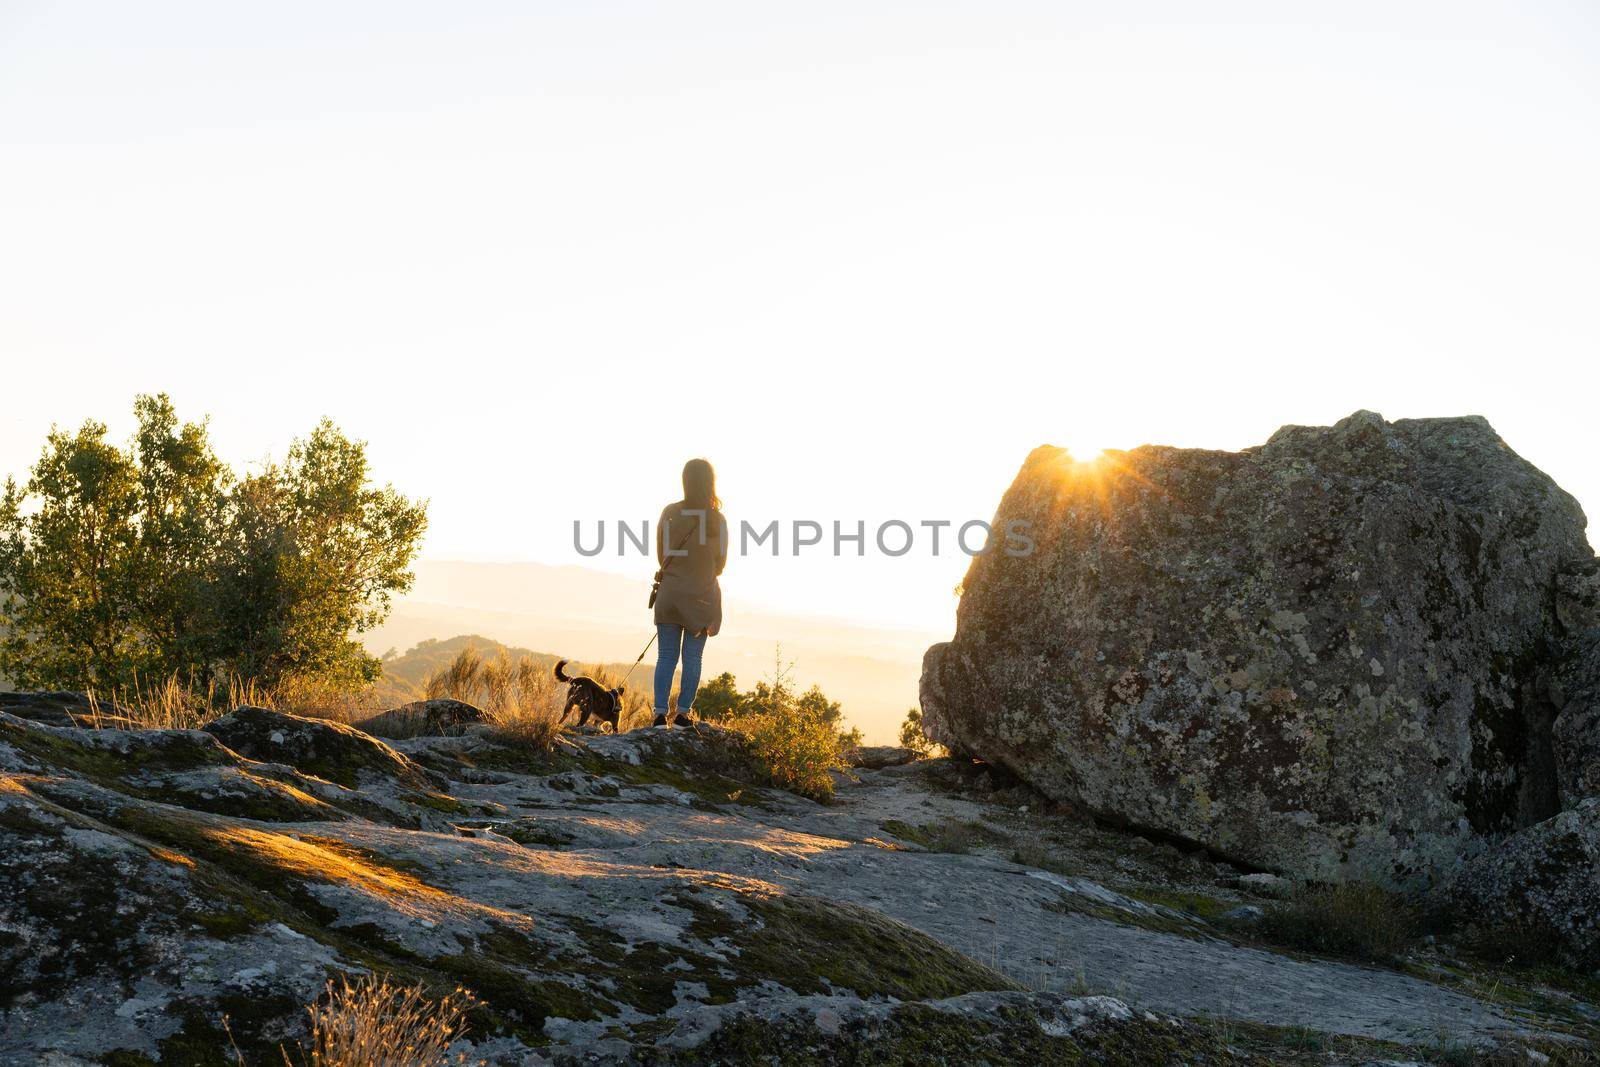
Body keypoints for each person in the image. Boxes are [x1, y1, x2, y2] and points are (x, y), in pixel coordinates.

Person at [652, 458, 727, 727]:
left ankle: (659, 714)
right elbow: (720, 565)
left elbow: (662, 556)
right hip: (701, 598)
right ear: (711, 482)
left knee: (666, 656)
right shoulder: (716, 520)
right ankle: (683, 713)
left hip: (670, 595)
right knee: (692, 657)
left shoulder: (670, 512)